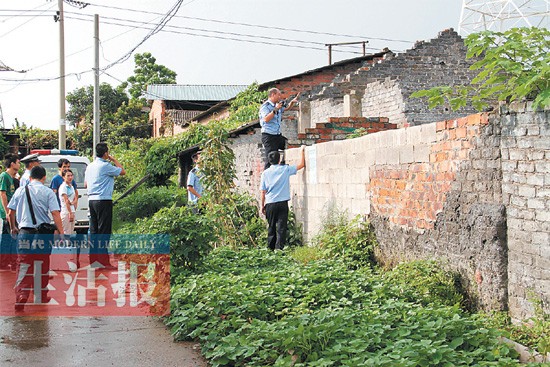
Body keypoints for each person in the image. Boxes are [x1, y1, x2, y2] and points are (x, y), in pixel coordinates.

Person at [7, 165, 64, 311]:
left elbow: (10, 212)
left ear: (30, 177)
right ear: (44, 178)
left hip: (25, 232)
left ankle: (21, 295)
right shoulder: (48, 192)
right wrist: (61, 233)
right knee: (42, 263)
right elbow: (56, 214)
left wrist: (13, 227)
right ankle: (40, 295)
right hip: (43, 234)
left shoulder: (20, 190)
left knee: (24, 264)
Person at [84, 142, 125, 268]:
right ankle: (103, 261)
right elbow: (122, 171)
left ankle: (94, 260)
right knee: (104, 231)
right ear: (106, 153)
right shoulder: (105, 166)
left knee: (94, 231)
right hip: (103, 200)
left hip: (91, 200)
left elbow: (86, 184)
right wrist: (114, 159)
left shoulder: (90, 166)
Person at [260, 146, 305, 250]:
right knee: (281, 228)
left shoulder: (265, 173)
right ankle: (279, 250)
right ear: (279, 159)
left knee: (271, 227)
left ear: (269, 161)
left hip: (270, 203)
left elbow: (263, 191)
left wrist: (262, 206)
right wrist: (302, 151)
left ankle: (270, 249)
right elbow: (301, 165)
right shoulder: (285, 169)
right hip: (282, 203)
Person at [259, 88, 299, 170]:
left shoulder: (278, 105)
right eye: (278, 95)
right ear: (273, 94)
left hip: (277, 135)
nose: (280, 97)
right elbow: (266, 119)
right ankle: (266, 178)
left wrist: (292, 103)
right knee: (270, 158)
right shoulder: (265, 106)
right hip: (268, 136)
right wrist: (275, 109)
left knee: (288, 144)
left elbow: (286, 109)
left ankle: (283, 164)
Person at [0, 153, 20, 271]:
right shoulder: (4, 176)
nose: (19, 164)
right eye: (18, 162)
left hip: (11, 212)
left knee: (7, 238)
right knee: (13, 237)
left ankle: (4, 262)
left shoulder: (12, 178)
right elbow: (3, 194)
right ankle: (12, 262)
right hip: (7, 213)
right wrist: (8, 212)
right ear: (12, 164)